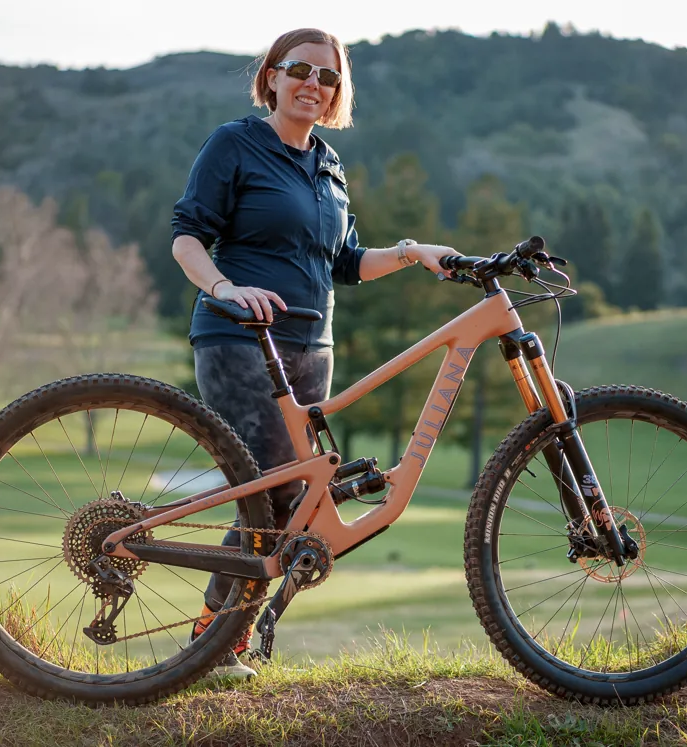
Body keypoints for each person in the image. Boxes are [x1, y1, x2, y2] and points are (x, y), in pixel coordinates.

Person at [169, 28, 458, 679]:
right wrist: (225, 287)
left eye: (328, 77)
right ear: (271, 76)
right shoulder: (236, 143)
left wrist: (414, 252)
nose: (313, 84)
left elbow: (348, 262)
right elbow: (187, 235)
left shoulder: (329, 166)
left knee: (290, 502)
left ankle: (218, 641)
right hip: (239, 338)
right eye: (300, 69)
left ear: (336, 93)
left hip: (309, 350)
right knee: (268, 498)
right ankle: (215, 644)